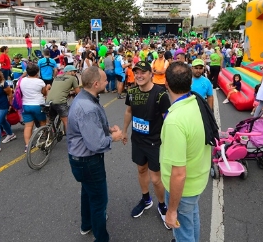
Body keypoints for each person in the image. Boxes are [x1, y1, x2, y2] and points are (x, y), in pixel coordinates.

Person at [67, 66, 123, 241]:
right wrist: (114, 136)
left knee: (87, 192)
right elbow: (96, 143)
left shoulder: (86, 98)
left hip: (81, 159)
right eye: (106, 80)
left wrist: (107, 129)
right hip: (88, 161)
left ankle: (87, 225)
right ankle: (101, 238)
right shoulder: (87, 107)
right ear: (96, 83)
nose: (108, 82)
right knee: (99, 201)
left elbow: (90, 127)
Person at [160, 61, 210, 242]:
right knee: (192, 218)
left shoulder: (175, 120)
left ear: (167, 84)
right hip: (197, 179)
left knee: (183, 233)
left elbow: (179, 173)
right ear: (190, 83)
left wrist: (171, 210)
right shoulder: (198, 102)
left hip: (184, 187)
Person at [122, 61, 171, 229]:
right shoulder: (132, 91)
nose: (139, 75)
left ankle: (163, 205)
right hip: (137, 140)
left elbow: (167, 118)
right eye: (136, 72)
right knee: (141, 170)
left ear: (151, 74)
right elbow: (129, 111)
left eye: (143, 72)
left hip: (155, 142)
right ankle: (146, 199)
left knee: (156, 179)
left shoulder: (160, 94)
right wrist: (124, 131)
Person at [20, 63, 49, 153]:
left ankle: (27, 145)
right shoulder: (40, 81)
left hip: (25, 104)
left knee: (28, 126)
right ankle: (45, 137)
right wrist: (47, 88)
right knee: (43, 123)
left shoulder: (21, 80)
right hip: (38, 104)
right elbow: (44, 93)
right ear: (37, 72)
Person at [45, 65, 80, 132]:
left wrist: (69, 93)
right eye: (74, 72)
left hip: (48, 101)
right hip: (60, 102)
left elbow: (59, 89)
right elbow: (78, 92)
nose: (75, 73)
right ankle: (70, 139)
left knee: (50, 120)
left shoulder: (57, 77)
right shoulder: (72, 78)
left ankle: (47, 134)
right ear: (69, 72)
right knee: (66, 121)